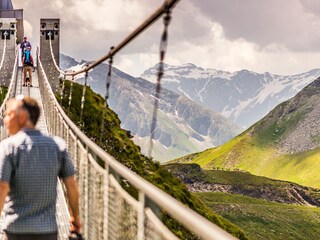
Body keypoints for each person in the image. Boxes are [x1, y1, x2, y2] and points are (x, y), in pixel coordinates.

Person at [0, 96, 81, 240]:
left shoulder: (8, 147)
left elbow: (2, 187)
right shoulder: (58, 145)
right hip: (47, 231)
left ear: (23, 117)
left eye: (9, 114)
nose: (4, 119)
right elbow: (71, 185)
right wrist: (75, 219)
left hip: (15, 230)